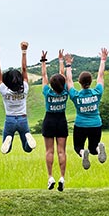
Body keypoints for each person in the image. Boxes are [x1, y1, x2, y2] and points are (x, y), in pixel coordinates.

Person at [65, 48, 108, 170]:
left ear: (79, 82)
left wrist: (68, 65)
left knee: (78, 147)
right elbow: (100, 75)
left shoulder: (75, 95)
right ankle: (99, 148)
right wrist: (103, 60)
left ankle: (83, 153)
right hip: (96, 124)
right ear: (90, 81)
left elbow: (68, 81)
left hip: (81, 125)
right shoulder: (97, 92)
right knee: (93, 149)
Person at [0, 41, 36, 154]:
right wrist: (24, 51)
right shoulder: (25, 88)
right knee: (27, 149)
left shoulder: (4, 91)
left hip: (10, 120)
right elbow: (24, 69)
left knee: (6, 150)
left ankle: (9, 139)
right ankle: (27, 137)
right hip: (22, 119)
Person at [41, 50, 69, 191]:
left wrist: (44, 62)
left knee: (49, 151)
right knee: (61, 151)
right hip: (61, 120)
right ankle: (62, 178)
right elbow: (62, 77)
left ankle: (51, 176)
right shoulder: (65, 92)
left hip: (49, 120)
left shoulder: (47, 92)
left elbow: (44, 76)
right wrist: (61, 61)